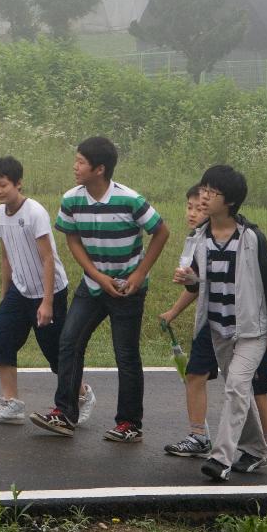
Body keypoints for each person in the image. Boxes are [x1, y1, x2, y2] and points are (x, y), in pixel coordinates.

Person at [30, 136, 169, 443]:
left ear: (100, 169)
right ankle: (65, 413)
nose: (75, 167)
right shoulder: (72, 199)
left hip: (126, 290)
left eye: (81, 162)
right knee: (68, 341)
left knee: (126, 354)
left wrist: (140, 273)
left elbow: (161, 231)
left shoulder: (129, 199)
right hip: (92, 286)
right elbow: (72, 239)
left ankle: (130, 424)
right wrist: (95, 274)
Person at [173, 166, 267, 481]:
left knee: (237, 387)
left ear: (231, 202)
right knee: (237, 390)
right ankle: (256, 451)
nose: (205, 195)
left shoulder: (251, 237)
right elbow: (199, 285)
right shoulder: (199, 237)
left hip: (251, 331)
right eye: (205, 188)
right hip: (217, 330)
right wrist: (190, 280)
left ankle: (220, 458)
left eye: (213, 192)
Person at [0, 156, 71, 425]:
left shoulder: (34, 213)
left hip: (48, 290)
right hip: (19, 291)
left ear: (18, 184)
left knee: (56, 353)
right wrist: (5, 293)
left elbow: (48, 259)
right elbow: (6, 256)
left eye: (3, 185)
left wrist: (47, 302)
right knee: (0, 342)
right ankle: (11, 403)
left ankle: (81, 393)